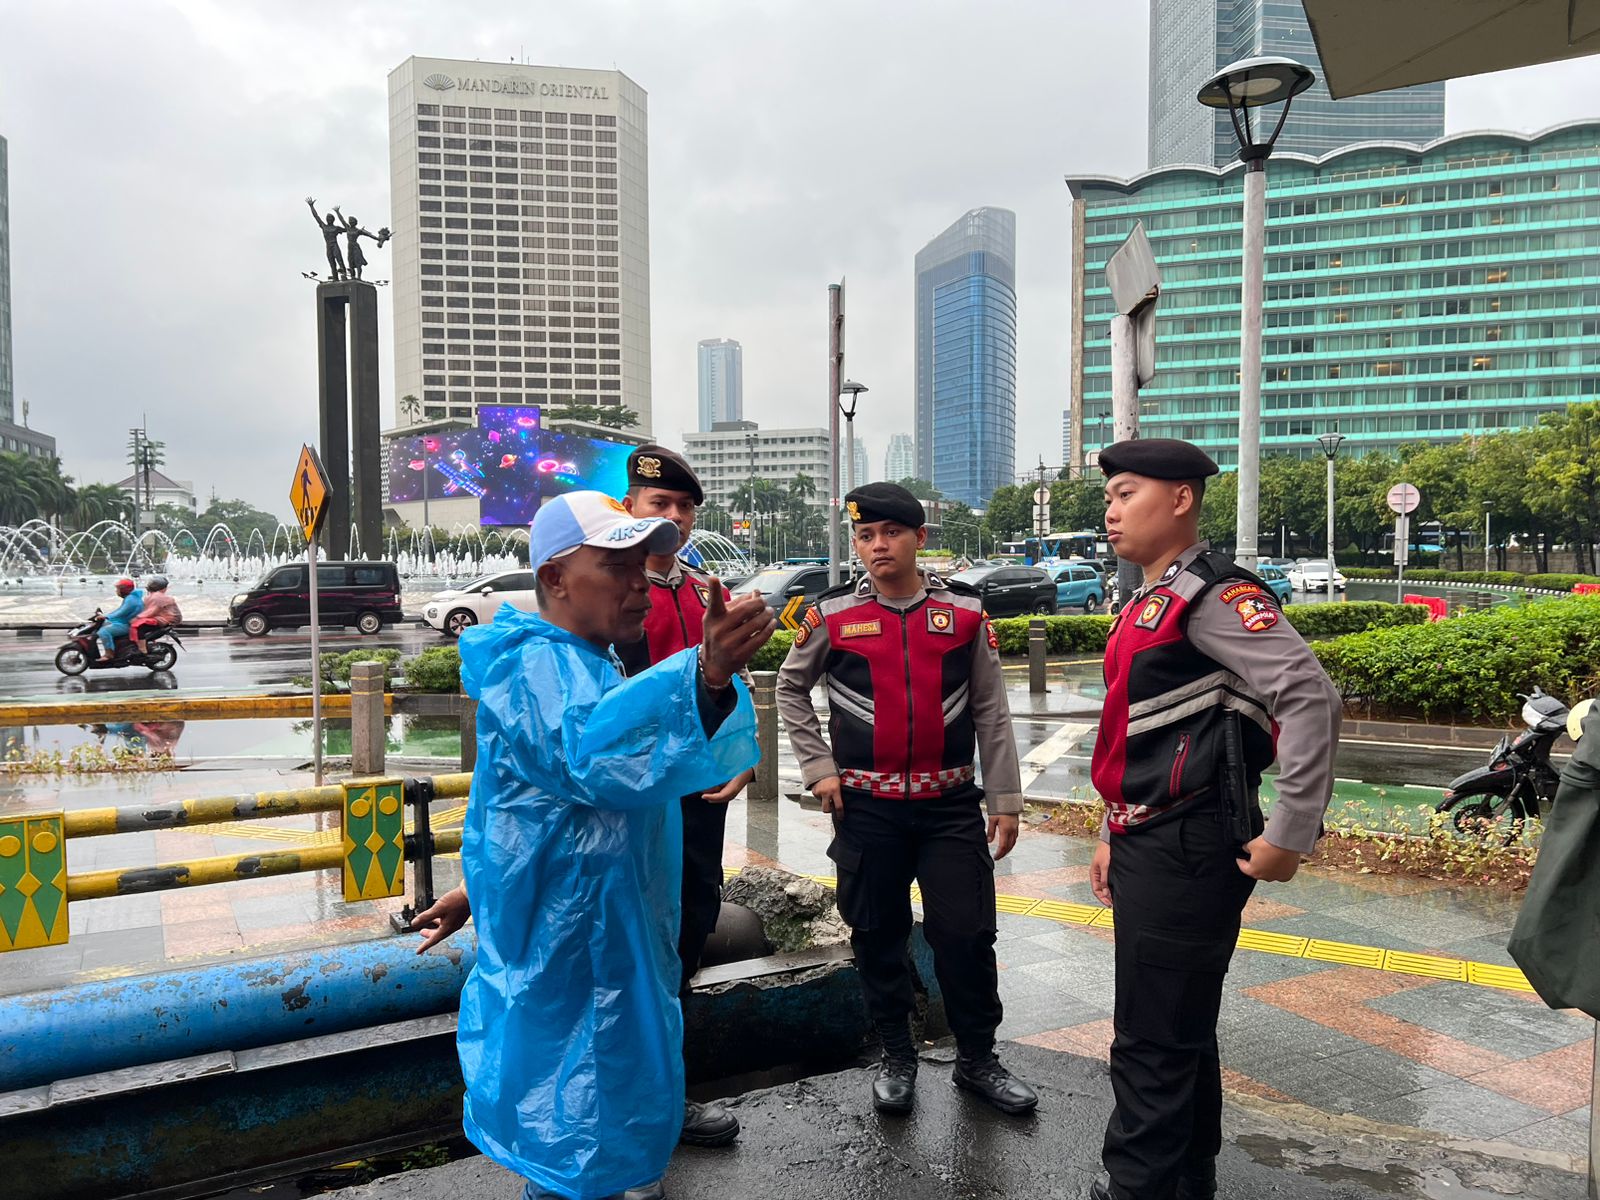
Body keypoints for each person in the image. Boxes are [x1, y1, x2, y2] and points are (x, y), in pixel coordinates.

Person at [413, 444, 756, 1150]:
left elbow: (522, 812)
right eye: (618, 568)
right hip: (575, 946)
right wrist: (708, 675)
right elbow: (588, 757)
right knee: (572, 1124)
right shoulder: (535, 661)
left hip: (603, 928)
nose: (638, 585)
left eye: (641, 567)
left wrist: (476, 887)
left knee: (606, 1111)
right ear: (556, 578)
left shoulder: (584, 660)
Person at [1086, 439, 1342, 1200]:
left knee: (1151, 1036)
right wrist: (1109, 832)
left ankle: (1137, 1187)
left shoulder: (1215, 598)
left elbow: (1310, 697)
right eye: (1110, 496)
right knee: (1179, 1026)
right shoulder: (1150, 597)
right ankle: (1187, 1179)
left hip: (1188, 842)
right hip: (1150, 837)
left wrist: (1290, 835)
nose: (1111, 509)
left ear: (1181, 500)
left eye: (1127, 493)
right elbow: (1132, 731)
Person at [776, 482, 1037, 1117]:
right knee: (877, 935)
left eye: (890, 533)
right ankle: (896, 1055)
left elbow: (990, 710)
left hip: (950, 806)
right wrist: (819, 770)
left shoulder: (966, 612)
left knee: (966, 934)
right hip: (866, 809)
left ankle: (978, 1059)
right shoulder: (831, 614)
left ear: (920, 539)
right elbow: (789, 688)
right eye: (865, 535)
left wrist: (1004, 795)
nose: (876, 545)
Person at [131, 576, 182, 654]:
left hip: (166, 619)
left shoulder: (158, 597)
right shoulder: (154, 596)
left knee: (139, 627)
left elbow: (152, 611)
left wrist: (138, 617)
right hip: (161, 618)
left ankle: (143, 650)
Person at [98, 578, 144, 661]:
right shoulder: (131, 597)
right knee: (105, 624)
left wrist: (107, 616)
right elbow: (119, 610)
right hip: (125, 622)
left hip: (127, 624)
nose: (117, 591)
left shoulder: (131, 599)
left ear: (124, 590)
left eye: (118, 589)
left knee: (103, 632)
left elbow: (121, 612)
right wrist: (107, 616)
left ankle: (109, 654)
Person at [305, 197, 345, 280]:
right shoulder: (324, 226)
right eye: (327, 218)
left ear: (333, 220)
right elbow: (316, 216)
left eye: (330, 218)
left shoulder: (336, 228)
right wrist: (311, 206)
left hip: (334, 245)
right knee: (332, 263)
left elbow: (347, 229)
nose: (328, 219)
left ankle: (344, 275)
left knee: (339, 261)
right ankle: (335, 278)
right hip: (328, 247)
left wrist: (338, 213)